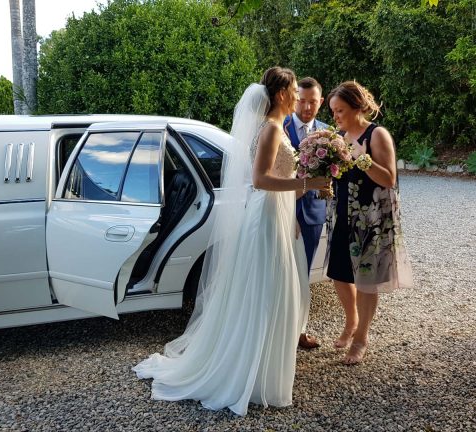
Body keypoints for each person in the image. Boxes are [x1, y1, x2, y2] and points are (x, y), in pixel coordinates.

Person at [133, 67, 331, 416]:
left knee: (274, 291)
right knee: (266, 292)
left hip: (277, 213)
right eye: (294, 89)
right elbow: (260, 180)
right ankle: (251, 374)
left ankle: (266, 366)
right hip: (266, 213)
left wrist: (294, 208)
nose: (299, 96)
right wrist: (307, 186)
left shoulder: (275, 128)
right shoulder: (271, 130)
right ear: (282, 93)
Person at [324, 81, 413, 365]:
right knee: (339, 274)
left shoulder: (377, 134)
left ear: (356, 107)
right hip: (342, 214)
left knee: (366, 280)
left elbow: (389, 178)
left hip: (370, 219)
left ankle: (361, 337)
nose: (336, 116)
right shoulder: (337, 136)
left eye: (340, 110)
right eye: (333, 111)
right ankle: (351, 322)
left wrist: (362, 160)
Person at [283, 77, 329, 350]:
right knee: (280, 272)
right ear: (294, 98)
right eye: (302, 100)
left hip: (312, 213)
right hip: (280, 210)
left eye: (313, 101)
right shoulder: (279, 126)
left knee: (303, 276)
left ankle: (299, 330)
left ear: (320, 102)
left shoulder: (327, 134)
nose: (307, 106)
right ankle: (279, 327)